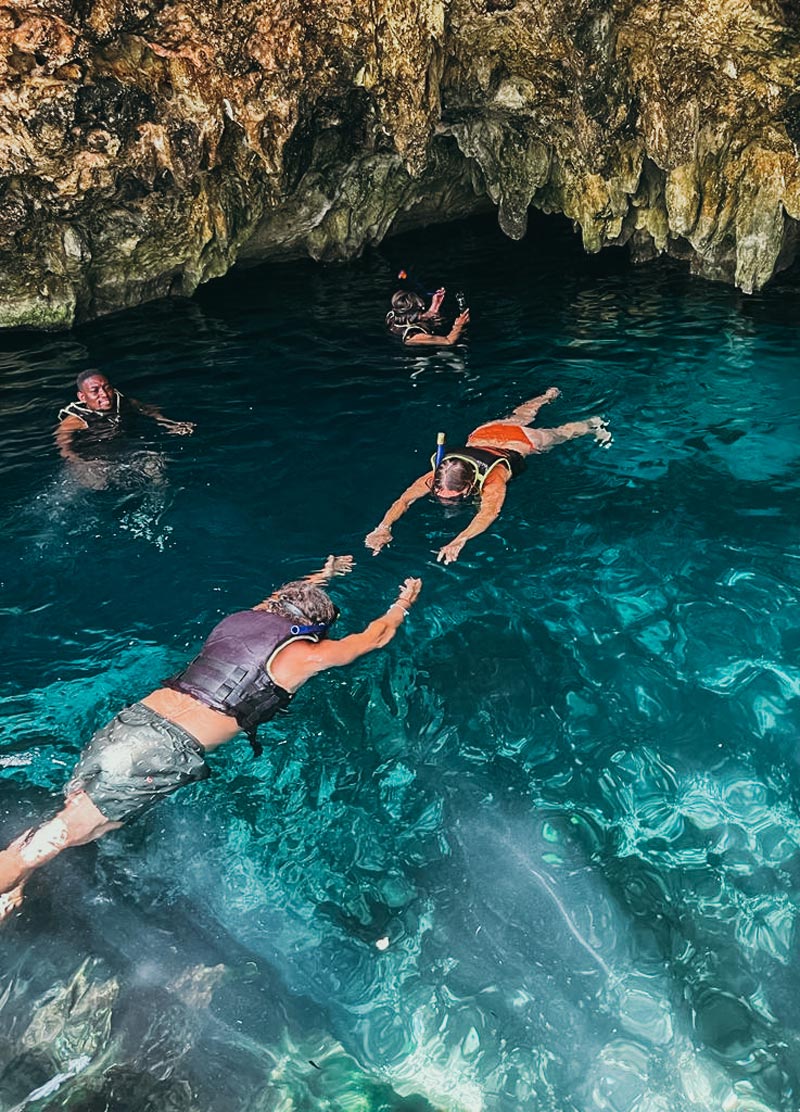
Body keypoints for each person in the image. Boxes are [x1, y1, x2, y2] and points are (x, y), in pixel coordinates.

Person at [0, 557, 422, 920]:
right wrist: (402, 603)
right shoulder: (304, 654)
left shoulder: (244, 619)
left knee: (84, 822)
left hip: (132, 721)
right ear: (311, 631)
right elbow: (376, 637)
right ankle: (15, 869)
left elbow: (279, 601)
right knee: (65, 833)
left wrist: (323, 575)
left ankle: (20, 875)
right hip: (161, 753)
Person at [365, 388, 611, 565]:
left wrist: (460, 539)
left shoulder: (494, 479)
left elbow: (488, 513)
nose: (444, 499)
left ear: (471, 483)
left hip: (521, 441)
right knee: (518, 416)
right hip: (484, 433)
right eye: (440, 494)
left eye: (453, 497)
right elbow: (404, 500)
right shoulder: (439, 473)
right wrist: (383, 527)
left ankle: (593, 423)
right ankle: (546, 396)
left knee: (562, 433)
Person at [56, 370, 195, 463]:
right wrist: (78, 462)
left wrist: (170, 424)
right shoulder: (75, 420)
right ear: (82, 397)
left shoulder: (123, 402)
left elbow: (149, 411)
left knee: (155, 464)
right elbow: (63, 447)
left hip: (128, 447)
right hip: (95, 457)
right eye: (95, 391)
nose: (104, 394)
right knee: (98, 483)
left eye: (107, 388)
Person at [386, 288, 470, 346]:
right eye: (421, 309)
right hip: (419, 361)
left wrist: (434, 306)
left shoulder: (392, 316)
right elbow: (448, 341)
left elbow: (413, 317)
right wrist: (459, 326)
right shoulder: (413, 336)